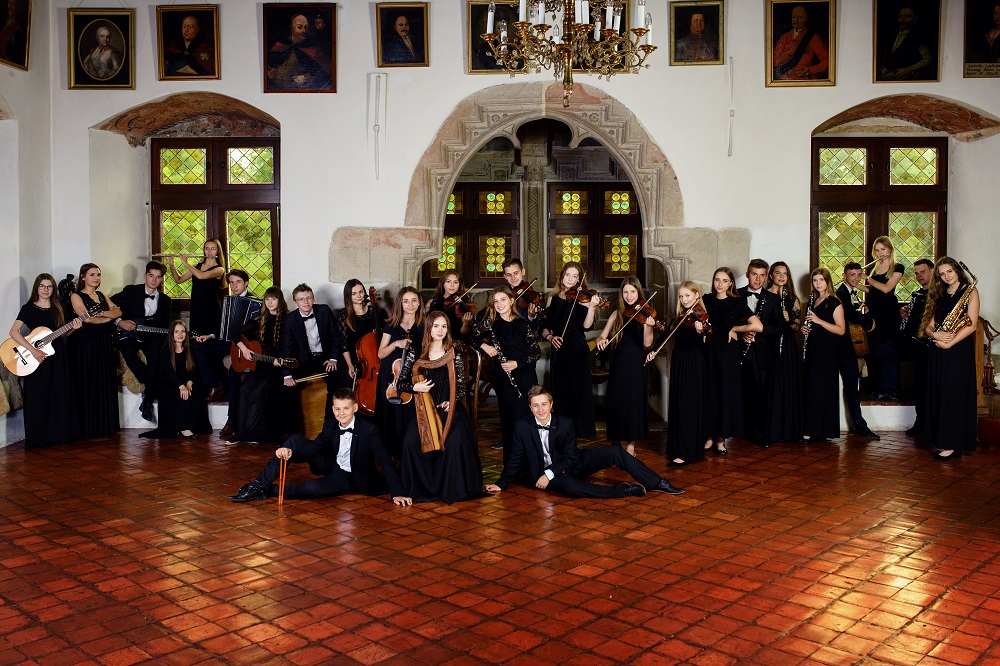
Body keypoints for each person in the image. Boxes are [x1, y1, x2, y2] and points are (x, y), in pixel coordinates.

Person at [485, 387, 684, 498]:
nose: (540, 410)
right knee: (572, 488)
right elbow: (515, 457)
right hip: (549, 475)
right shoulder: (522, 426)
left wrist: (549, 473)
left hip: (572, 463)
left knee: (615, 452)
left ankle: (658, 482)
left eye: (544, 404)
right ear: (530, 407)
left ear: (551, 405)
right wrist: (501, 483)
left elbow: (571, 458)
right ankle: (624, 490)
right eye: (535, 406)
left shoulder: (565, 423)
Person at [228, 389, 412, 505]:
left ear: (355, 408)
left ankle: (266, 490)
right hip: (331, 465)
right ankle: (258, 485)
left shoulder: (369, 430)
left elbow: (386, 462)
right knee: (293, 440)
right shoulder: (330, 425)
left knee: (311, 488)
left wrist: (396, 494)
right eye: (338, 409)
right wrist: (290, 452)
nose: (342, 413)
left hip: (350, 478)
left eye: (346, 409)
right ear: (333, 409)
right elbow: (312, 449)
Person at [395, 311, 483, 503]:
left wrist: (452, 400)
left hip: (450, 410)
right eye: (436, 326)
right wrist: (414, 387)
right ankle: (422, 490)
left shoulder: (454, 352)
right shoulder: (416, 351)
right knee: (411, 442)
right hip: (424, 409)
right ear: (429, 328)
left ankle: (452, 489)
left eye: (444, 326)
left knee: (455, 440)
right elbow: (400, 383)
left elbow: (460, 386)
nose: (440, 330)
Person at [8, 274, 82, 448]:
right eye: (42, 286)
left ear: (53, 289)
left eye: (49, 286)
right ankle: (38, 438)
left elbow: (61, 335)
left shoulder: (59, 307)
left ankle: (60, 435)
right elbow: (14, 332)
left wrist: (73, 328)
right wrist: (33, 351)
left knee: (60, 394)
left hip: (58, 355)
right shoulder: (28, 308)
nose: (46, 289)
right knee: (37, 396)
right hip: (36, 358)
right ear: (37, 288)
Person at [920, 257, 980, 460]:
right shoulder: (939, 295)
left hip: (958, 350)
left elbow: (971, 325)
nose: (946, 277)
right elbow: (929, 326)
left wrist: (949, 343)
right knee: (939, 395)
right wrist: (935, 334)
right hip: (939, 349)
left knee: (953, 396)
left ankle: (952, 444)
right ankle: (946, 441)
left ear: (957, 271)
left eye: (949, 272)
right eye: (942, 274)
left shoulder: (970, 292)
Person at [192, 270, 262, 440]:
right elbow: (222, 325)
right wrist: (211, 335)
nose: (234, 286)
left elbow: (257, 331)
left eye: (238, 282)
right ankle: (215, 383)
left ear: (246, 283)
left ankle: (231, 420)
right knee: (198, 346)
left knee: (233, 374)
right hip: (225, 342)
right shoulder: (228, 301)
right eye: (231, 282)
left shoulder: (257, 302)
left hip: (243, 345)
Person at [474, 286, 540, 463]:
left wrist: (516, 363)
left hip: (525, 378)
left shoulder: (522, 324)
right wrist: (485, 346)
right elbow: (471, 335)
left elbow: (536, 352)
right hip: (505, 381)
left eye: (503, 300)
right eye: (495, 301)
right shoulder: (491, 325)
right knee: (508, 422)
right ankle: (511, 466)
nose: (499, 304)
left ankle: (529, 465)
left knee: (525, 422)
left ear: (512, 301)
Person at [650, 281, 710, 466]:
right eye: (681, 296)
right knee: (678, 403)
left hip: (692, 363)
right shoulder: (681, 316)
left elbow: (706, 340)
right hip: (679, 362)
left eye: (687, 296)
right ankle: (677, 448)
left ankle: (688, 451)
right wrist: (653, 350)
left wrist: (702, 332)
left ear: (697, 296)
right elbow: (666, 334)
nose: (684, 299)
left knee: (687, 405)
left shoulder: (702, 317)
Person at [703, 267, 762, 454]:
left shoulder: (737, 303)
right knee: (710, 393)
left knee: (725, 393)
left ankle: (721, 439)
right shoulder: (706, 300)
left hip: (728, 353)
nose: (720, 284)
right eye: (717, 280)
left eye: (724, 280)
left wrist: (736, 329)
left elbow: (758, 325)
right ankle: (709, 436)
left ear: (730, 283)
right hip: (709, 351)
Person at [596, 277, 657, 457]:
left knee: (634, 403)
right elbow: (602, 336)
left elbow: (647, 343)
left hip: (637, 363)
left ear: (638, 292)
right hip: (619, 362)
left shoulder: (646, 314)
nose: (629, 296)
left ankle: (631, 445)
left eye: (632, 291)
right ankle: (615, 441)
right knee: (615, 401)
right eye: (625, 292)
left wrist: (648, 326)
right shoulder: (617, 314)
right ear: (621, 295)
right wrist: (601, 341)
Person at [541, 262, 600, 438]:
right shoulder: (552, 298)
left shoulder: (583, 298)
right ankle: (562, 430)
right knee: (560, 391)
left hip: (577, 350)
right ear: (562, 276)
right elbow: (544, 328)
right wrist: (550, 337)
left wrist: (592, 308)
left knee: (578, 391)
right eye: (568, 275)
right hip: (559, 349)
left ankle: (580, 430)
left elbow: (587, 327)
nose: (571, 279)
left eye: (575, 276)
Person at [111, 261, 172, 422]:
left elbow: (165, 326)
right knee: (129, 354)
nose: (154, 280)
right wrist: (119, 322)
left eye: (158, 277)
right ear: (145, 275)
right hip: (129, 333)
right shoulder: (131, 291)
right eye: (151, 276)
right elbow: (108, 304)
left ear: (161, 280)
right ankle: (153, 384)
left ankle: (146, 402)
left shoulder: (166, 300)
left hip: (151, 336)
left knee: (154, 356)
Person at [232, 286, 293, 443]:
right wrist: (244, 349)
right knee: (244, 389)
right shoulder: (260, 318)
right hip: (260, 364)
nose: (270, 302)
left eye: (273, 298)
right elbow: (235, 332)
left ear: (280, 300)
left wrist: (280, 360)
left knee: (259, 392)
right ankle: (241, 434)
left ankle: (267, 434)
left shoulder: (288, 319)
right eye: (267, 299)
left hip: (276, 366)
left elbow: (290, 346)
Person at [69, 263, 122, 439]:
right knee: (89, 382)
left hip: (104, 342)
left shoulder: (101, 295)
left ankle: (105, 426)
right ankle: (89, 428)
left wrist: (104, 314)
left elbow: (118, 312)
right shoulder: (76, 296)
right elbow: (88, 319)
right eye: (92, 274)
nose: (96, 278)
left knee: (105, 381)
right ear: (83, 277)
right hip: (87, 344)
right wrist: (107, 315)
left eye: (98, 274)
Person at [833, 263, 883, 441]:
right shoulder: (841, 293)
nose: (855, 278)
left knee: (853, 386)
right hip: (843, 347)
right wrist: (868, 320)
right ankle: (860, 426)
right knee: (852, 387)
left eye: (858, 275)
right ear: (844, 275)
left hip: (849, 346)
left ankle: (860, 425)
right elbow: (850, 317)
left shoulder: (848, 292)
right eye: (852, 275)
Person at [281, 283, 340, 427]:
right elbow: (287, 347)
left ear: (313, 299)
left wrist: (333, 358)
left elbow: (336, 337)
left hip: (325, 358)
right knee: (288, 390)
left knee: (336, 386)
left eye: (308, 298)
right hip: (303, 360)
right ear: (295, 302)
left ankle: (329, 427)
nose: (305, 302)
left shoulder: (324, 311)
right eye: (301, 299)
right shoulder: (290, 319)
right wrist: (288, 375)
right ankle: (292, 432)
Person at [738, 259, 783, 448]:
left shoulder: (772, 299)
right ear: (748, 274)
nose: (758, 279)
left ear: (767, 277)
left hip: (762, 354)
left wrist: (759, 330)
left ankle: (760, 433)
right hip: (739, 352)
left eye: (762, 275)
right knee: (740, 392)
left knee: (761, 394)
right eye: (754, 274)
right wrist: (742, 333)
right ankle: (741, 430)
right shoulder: (736, 295)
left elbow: (779, 327)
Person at [141, 321, 210, 439]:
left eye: (182, 331)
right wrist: (181, 386)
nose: (180, 334)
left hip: (186, 381)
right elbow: (168, 372)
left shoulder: (190, 349)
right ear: (171, 334)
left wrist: (189, 383)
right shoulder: (165, 350)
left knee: (195, 394)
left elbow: (193, 370)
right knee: (178, 396)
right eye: (176, 332)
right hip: (171, 383)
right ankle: (181, 428)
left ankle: (186, 426)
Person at [376, 286, 424, 455]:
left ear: (419, 303)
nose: (410, 305)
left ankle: (409, 453)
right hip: (391, 377)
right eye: (405, 301)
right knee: (391, 415)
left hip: (413, 377)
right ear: (400, 303)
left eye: (414, 300)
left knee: (410, 416)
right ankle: (391, 453)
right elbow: (381, 354)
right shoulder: (392, 324)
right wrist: (396, 344)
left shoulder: (425, 325)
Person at [800, 268, 845, 443]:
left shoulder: (835, 303)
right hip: (813, 347)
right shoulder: (812, 301)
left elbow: (841, 330)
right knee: (811, 387)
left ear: (828, 282)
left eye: (821, 280)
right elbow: (811, 326)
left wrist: (818, 321)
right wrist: (806, 329)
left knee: (821, 388)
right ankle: (811, 428)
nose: (818, 283)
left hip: (827, 351)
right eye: (815, 280)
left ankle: (818, 429)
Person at [763, 262, 802, 443]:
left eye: (785, 274)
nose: (781, 277)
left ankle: (789, 429)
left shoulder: (792, 299)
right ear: (770, 275)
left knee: (787, 383)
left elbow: (796, 326)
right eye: (777, 273)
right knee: (771, 384)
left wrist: (788, 321)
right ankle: (770, 429)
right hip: (768, 344)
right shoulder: (764, 296)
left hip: (786, 345)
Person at [861, 238, 903, 400]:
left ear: (890, 250)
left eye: (883, 249)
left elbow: (886, 289)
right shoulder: (875, 267)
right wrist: (854, 282)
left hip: (888, 315)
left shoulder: (897, 267)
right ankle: (878, 387)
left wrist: (866, 277)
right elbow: (871, 290)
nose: (880, 253)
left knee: (890, 350)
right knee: (875, 352)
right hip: (874, 314)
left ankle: (891, 390)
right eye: (877, 250)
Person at [168, 239, 226, 346]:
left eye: (213, 248)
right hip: (196, 307)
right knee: (196, 341)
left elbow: (201, 276)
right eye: (207, 248)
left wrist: (185, 263)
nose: (209, 251)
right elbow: (179, 280)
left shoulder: (220, 269)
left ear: (218, 251)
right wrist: (172, 265)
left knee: (210, 342)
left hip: (211, 309)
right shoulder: (197, 266)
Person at [901, 258, 933, 435]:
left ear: (932, 271)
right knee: (920, 386)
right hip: (918, 346)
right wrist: (906, 314)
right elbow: (911, 322)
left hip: (932, 346)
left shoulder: (939, 294)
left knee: (930, 387)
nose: (919, 276)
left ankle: (930, 424)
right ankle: (920, 423)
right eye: (917, 273)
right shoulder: (917, 295)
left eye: (923, 272)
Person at [335, 280, 385, 391]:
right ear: (348, 296)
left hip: (373, 358)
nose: (358, 296)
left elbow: (385, 336)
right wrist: (350, 365)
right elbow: (344, 344)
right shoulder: (344, 315)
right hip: (352, 359)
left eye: (361, 292)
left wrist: (378, 332)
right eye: (353, 293)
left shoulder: (373, 311)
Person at [267, 12, 332, 90]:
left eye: (306, 27)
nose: (304, 31)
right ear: (292, 28)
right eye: (299, 27)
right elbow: (269, 65)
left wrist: (304, 77)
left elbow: (324, 72)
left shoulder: (313, 47)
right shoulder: (281, 44)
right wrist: (270, 72)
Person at [772, 5, 829, 80]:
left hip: (803, 81)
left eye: (800, 17)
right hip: (783, 80)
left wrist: (811, 70)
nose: (796, 20)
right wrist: (788, 54)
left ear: (806, 18)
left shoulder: (813, 38)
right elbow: (773, 61)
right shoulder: (784, 37)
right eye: (794, 17)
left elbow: (828, 59)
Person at [878, 5, 934, 80]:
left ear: (915, 19)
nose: (902, 19)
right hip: (886, 78)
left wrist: (907, 70)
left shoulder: (918, 38)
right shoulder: (891, 35)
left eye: (907, 16)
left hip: (906, 79)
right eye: (901, 16)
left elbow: (928, 59)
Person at [426, 270, 474, 342]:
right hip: (436, 340)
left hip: (455, 340)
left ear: (459, 285)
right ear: (443, 283)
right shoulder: (433, 302)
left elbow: (462, 333)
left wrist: (466, 324)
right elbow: (427, 326)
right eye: (448, 281)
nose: (452, 285)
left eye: (455, 282)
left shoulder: (463, 304)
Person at [502, 258, 544, 331]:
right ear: (505, 276)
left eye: (516, 273)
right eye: (509, 275)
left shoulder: (533, 297)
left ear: (523, 272)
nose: (513, 278)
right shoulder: (502, 294)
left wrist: (531, 316)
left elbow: (534, 328)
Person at [0, 0, 25, 66]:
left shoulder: (19, 31)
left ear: (17, 7)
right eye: (9, 3)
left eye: (13, 4)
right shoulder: (2, 23)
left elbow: (18, 55)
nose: (10, 7)